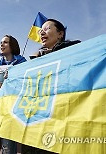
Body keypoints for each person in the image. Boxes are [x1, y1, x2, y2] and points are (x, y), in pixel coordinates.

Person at [23, 19, 81, 154]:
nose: (42, 32)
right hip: (36, 114)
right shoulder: (36, 58)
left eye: (47, 28)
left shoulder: (75, 50)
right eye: (41, 30)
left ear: (60, 34)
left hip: (61, 114)